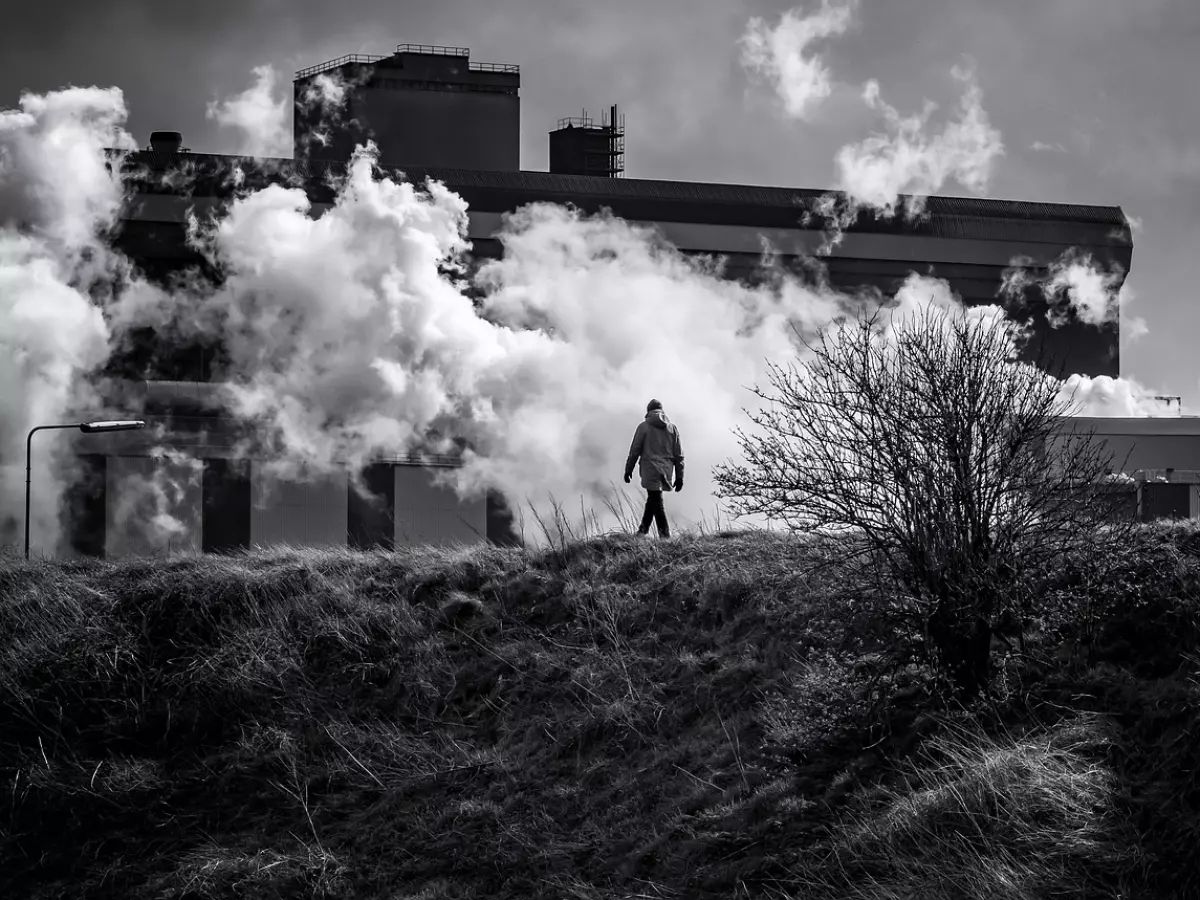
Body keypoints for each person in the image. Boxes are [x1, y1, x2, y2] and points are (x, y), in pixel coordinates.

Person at [624, 399, 684, 537]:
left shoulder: (643, 427)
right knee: (654, 498)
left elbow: (635, 450)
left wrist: (629, 469)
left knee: (656, 499)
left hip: (649, 468)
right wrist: (680, 476)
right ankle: (642, 531)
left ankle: (664, 535)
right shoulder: (672, 428)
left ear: (648, 411)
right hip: (666, 469)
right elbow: (679, 455)